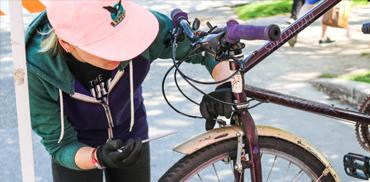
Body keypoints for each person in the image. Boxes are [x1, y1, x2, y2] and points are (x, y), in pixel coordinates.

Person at [26, 1, 232, 181]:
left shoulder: (141, 29)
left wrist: (225, 84)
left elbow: (206, 46)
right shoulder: (37, 70)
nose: (120, 50)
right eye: (104, 46)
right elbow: (60, 145)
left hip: (132, 135)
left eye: (120, 37)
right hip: (77, 149)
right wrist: (97, 157)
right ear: (67, 44)